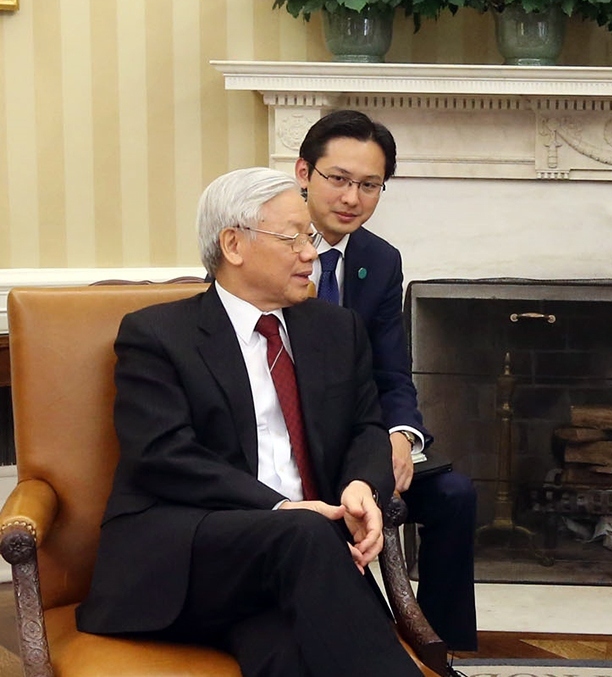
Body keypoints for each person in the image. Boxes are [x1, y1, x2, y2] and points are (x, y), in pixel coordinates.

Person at [76, 168, 423, 677]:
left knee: (286, 651)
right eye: (294, 238)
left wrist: (359, 487)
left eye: (310, 237)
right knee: (305, 534)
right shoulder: (158, 335)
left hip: (289, 568)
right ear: (233, 245)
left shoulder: (336, 329)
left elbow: (366, 428)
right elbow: (163, 456)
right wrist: (283, 507)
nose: (311, 253)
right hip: (188, 552)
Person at [296, 109, 478, 651]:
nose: (353, 198)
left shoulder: (379, 259)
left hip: (362, 437)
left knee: (453, 494)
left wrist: (401, 434)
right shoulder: (264, 244)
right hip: (291, 440)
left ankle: (441, 649)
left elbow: (392, 371)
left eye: (370, 185)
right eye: (339, 179)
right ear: (304, 172)